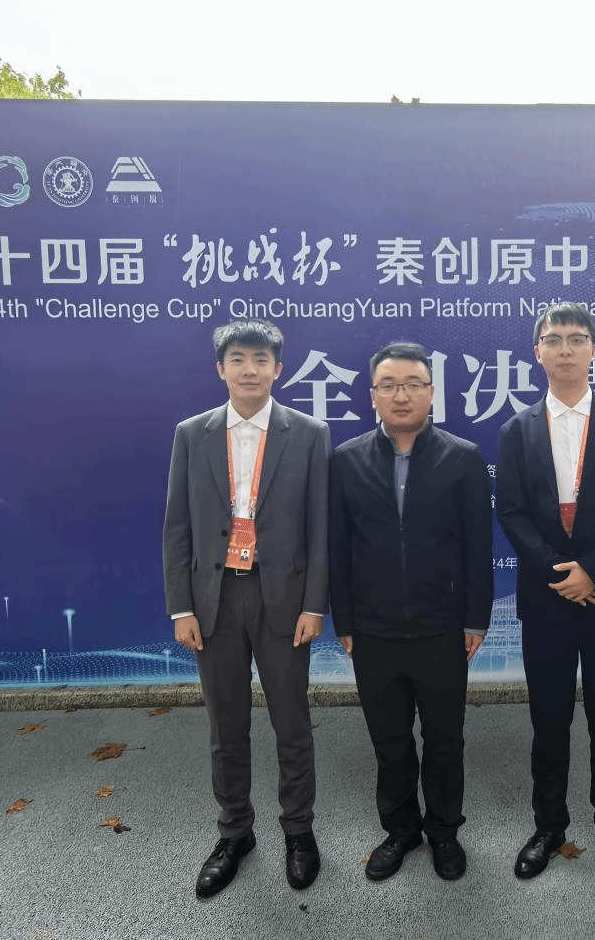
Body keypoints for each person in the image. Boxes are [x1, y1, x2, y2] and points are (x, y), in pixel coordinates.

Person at [163, 319, 329, 898]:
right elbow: (177, 527)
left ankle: (299, 831)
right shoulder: (192, 434)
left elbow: (320, 529)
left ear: (279, 369)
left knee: (292, 724)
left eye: (261, 359)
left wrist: (315, 604)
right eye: (238, 359)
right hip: (215, 599)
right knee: (225, 727)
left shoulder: (309, 433)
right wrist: (181, 607)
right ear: (221, 369)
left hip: (283, 599)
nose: (250, 369)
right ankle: (235, 832)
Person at [496, 303, 595, 885]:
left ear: (593, 350)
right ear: (537, 351)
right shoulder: (517, 430)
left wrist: (592, 571)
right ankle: (548, 826)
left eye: (577, 339)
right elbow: (512, 512)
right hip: (547, 598)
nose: (565, 349)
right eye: (554, 339)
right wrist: (561, 574)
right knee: (549, 720)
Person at [329, 342, 493, 882]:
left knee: (445, 742)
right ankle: (401, 830)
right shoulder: (346, 459)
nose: (401, 395)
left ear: (431, 392)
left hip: (441, 628)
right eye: (389, 385)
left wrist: (475, 619)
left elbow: (477, 548)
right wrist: (344, 621)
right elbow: (338, 548)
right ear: (373, 394)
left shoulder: (462, 458)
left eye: (413, 385)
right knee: (390, 742)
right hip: (372, 632)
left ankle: (444, 831)